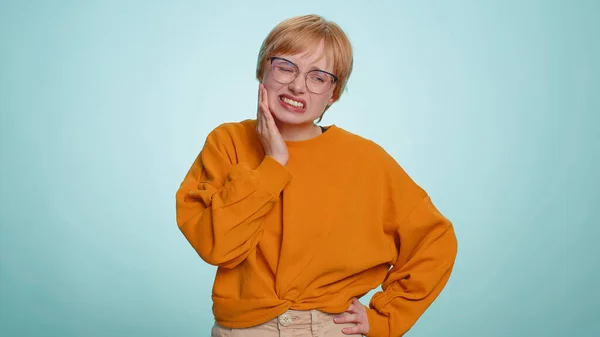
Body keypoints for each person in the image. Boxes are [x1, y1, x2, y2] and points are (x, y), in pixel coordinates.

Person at [175, 14, 458, 337]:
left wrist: (386, 317)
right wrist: (273, 162)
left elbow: (435, 240)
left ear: (333, 93)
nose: (297, 85)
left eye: (318, 77)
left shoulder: (366, 160)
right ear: (262, 71)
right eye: (286, 67)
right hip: (244, 329)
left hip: (329, 328)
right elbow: (217, 247)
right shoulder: (226, 143)